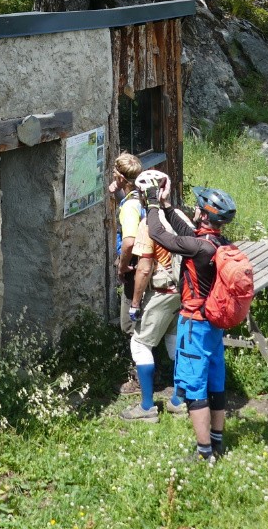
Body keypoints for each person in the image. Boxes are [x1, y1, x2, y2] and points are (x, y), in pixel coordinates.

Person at [147, 184, 239, 461]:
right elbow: (186, 233)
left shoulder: (197, 248)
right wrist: (166, 207)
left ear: (202, 213)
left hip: (195, 324)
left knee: (195, 388)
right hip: (214, 324)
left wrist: (151, 205)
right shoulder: (217, 244)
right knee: (215, 383)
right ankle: (217, 443)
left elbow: (158, 234)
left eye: (197, 207)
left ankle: (203, 453)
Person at [120, 169, 187, 421]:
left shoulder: (149, 223)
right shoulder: (178, 215)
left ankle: (147, 407)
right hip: (181, 290)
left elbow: (145, 268)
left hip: (161, 291)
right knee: (174, 342)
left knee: (139, 344)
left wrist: (135, 303)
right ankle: (179, 399)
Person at [110, 153, 145, 333]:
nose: (113, 174)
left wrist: (122, 267)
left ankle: (139, 358)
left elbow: (129, 242)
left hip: (134, 265)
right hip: (148, 261)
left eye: (115, 172)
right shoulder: (144, 194)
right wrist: (118, 191)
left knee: (130, 325)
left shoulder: (130, 207)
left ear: (122, 178)